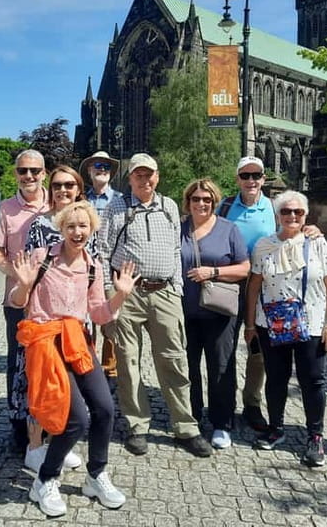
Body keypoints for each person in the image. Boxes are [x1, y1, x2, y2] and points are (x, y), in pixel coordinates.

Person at [9, 201, 138, 517]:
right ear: (61, 228)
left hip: (78, 342)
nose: (77, 231)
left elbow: (97, 312)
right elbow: (17, 302)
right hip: (46, 344)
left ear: (91, 229)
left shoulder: (93, 266)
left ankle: (96, 475)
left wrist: (119, 294)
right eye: (71, 225)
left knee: (105, 408)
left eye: (83, 226)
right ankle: (45, 479)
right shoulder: (41, 260)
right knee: (75, 418)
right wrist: (23, 286)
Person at [99, 153, 211, 458]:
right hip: (129, 292)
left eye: (149, 175)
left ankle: (185, 426)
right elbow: (103, 249)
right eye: (138, 175)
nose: (144, 180)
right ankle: (137, 425)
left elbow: (176, 248)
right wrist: (111, 292)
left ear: (157, 177)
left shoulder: (170, 206)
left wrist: (176, 287)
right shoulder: (116, 207)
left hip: (164, 293)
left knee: (174, 359)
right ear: (130, 179)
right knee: (127, 362)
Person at [217, 156, 322, 432]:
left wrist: (311, 229)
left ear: (264, 179)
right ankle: (223, 405)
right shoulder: (225, 206)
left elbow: (292, 229)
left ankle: (251, 404)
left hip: (265, 289)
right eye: (245, 175)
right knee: (224, 349)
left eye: (256, 175)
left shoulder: (275, 208)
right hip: (228, 286)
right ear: (237, 178)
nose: (251, 180)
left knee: (258, 351)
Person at [245, 190, 327, 467]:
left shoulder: (317, 242)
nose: (292, 216)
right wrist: (250, 324)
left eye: (298, 212)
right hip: (271, 324)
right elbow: (254, 286)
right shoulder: (264, 245)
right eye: (286, 211)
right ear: (277, 215)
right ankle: (276, 428)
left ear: (306, 215)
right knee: (276, 379)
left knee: (312, 381)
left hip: (310, 324)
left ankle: (315, 436)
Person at [18, 165, 90, 472]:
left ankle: (59, 442)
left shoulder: (86, 221)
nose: (63, 190)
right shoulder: (40, 225)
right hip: (44, 322)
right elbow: (31, 276)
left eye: (69, 185)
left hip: (76, 322)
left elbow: (92, 269)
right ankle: (36, 446)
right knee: (42, 384)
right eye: (58, 185)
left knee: (68, 386)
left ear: (78, 189)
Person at [179, 179, 250, 449]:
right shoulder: (179, 228)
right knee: (188, 367)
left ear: (214, 202)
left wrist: (214, 272)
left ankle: (222, 423)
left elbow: (245, 267)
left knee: (221, 367)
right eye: (196, 199)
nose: (201, 204)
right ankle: (192, 417)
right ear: (188, 201)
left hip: (220, 312)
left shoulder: (228, 229)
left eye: (207, 199)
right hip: (185, 310)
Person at [0, 149, 49, 451]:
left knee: (48, 363)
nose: (29, 176)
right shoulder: (5, 208)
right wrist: (15, 273)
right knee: (18, 364)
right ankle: (18, 425)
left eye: (35, 170)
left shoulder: (58, 204)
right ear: (15, 173)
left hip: (52, 303)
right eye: (23, 170)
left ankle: (47, 424)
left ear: (44, 173)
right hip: (17, 299)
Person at [80, 151, 122, 390]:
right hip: (82, 266)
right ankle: (87, 363)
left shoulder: (120, 200)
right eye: (97, 165)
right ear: (89, 171)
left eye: (106, 166)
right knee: (84, 320)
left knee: (110, 320)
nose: (101, 169)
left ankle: (110, 370)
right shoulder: (80, 199)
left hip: (109, 267)